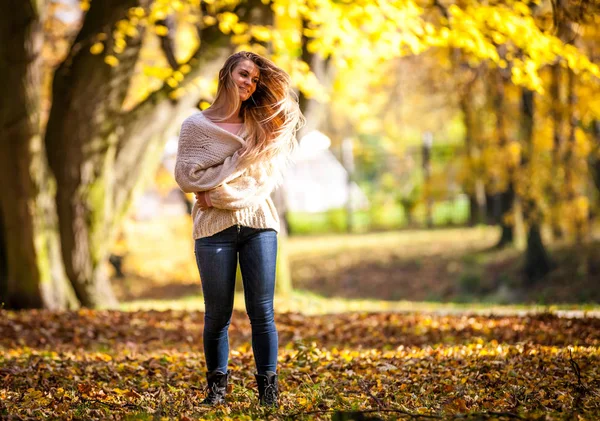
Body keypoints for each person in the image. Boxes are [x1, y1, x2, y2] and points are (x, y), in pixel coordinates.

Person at [174, 51, 304, 407]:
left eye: (255, 80)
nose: (249, 83)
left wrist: (216, 194)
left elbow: (260, 184)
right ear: (227, 74)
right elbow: (187, 177)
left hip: (259, 224)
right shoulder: (195, 127)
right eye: (244, 74)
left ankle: (268, 392)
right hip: (212, 230)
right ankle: (216, 389)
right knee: (217, 313)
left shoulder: (262, 126)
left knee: (262, 311)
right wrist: (237, 164)